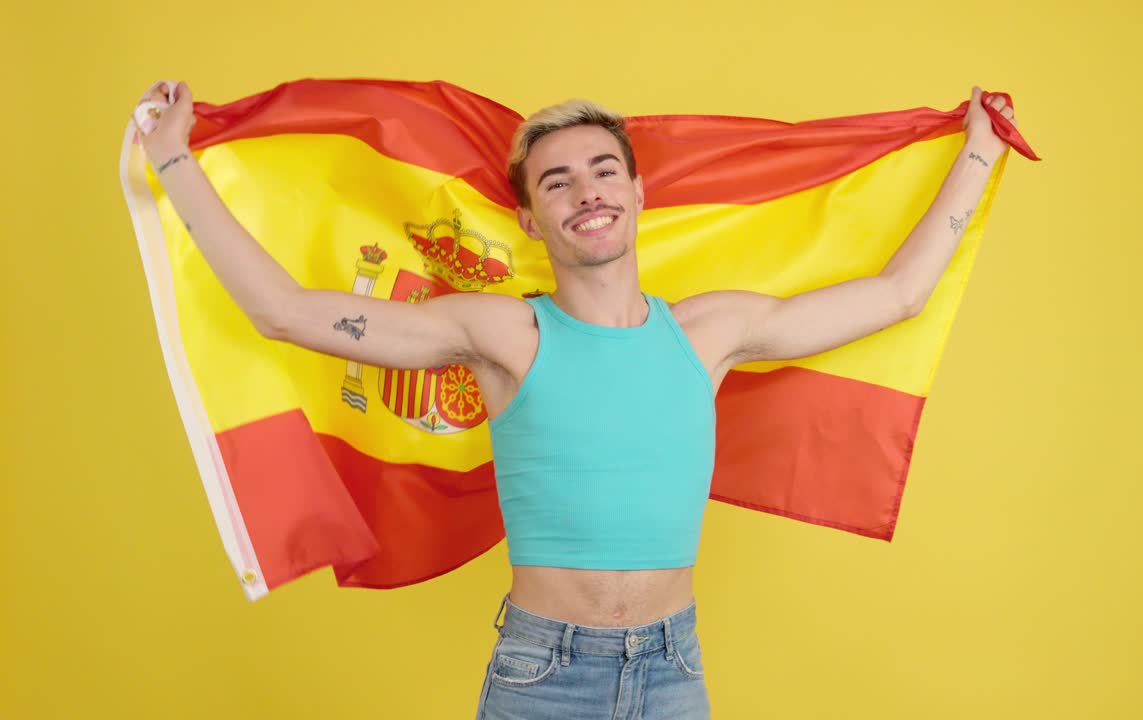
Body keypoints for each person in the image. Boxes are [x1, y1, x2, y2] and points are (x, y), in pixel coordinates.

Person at [134, 80, 1017, 719]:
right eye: (557, 181)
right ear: (530, 219)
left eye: (604, 171)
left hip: (673, 671)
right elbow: (283, 313)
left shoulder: (711, 333)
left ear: (638, 195)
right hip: (542, 676)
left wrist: (979, 147)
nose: (586, 190)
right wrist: (172, 157)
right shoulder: (502, 334)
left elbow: (900, 293)